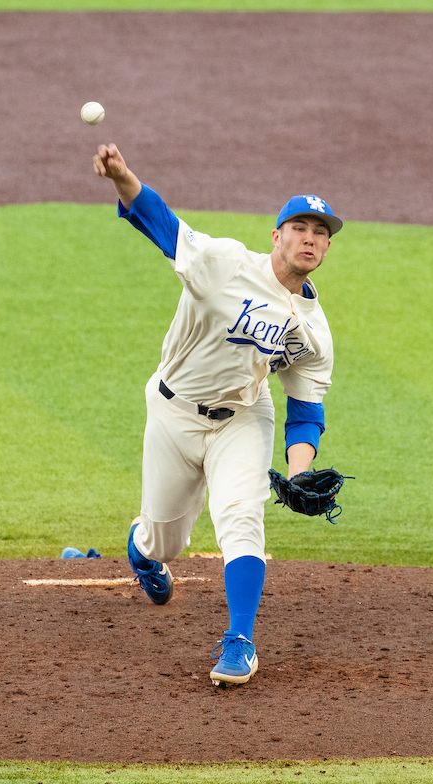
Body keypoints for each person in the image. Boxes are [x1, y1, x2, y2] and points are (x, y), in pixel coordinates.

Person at [93, 143, 340, 687]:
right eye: (300, 227)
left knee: (241, 518)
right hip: (173, 412)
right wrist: (123, 177)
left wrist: (299, 470)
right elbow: (161, 223)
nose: (310, 239)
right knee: (166, 541)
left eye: (321, 232)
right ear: (276, 235)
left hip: (242, 418)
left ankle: (240, 641)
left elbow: (305, 406)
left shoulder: (313, 330)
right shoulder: (224, 264)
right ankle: (142, 550)